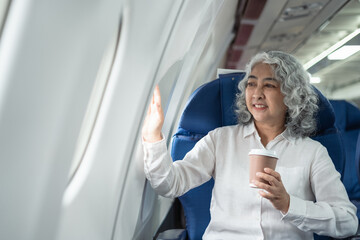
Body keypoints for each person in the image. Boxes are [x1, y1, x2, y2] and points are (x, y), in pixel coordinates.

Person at [142, 51, 358, 239]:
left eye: (269, 85)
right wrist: (153, 136)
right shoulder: (220, 140)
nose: (256, 93)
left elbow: (348, 222)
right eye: (251, 83)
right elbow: (169, 184)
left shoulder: (312, 152)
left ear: (291, 95)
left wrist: (288, 204)